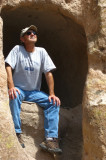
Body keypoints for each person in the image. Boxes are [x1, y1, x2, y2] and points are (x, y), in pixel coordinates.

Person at [5, 25, 62, 154]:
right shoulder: (17, 49)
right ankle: (16, 133)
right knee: (14, 95)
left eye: (34, 32)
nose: (32, 34)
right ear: (22, 39)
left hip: (34, 92)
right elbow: (8, 67)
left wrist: (52, 94)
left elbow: (48, 73)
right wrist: (11, 87)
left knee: (54, 102)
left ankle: (50, 139)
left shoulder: (41, 52)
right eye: (29, 33)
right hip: (19, 89)